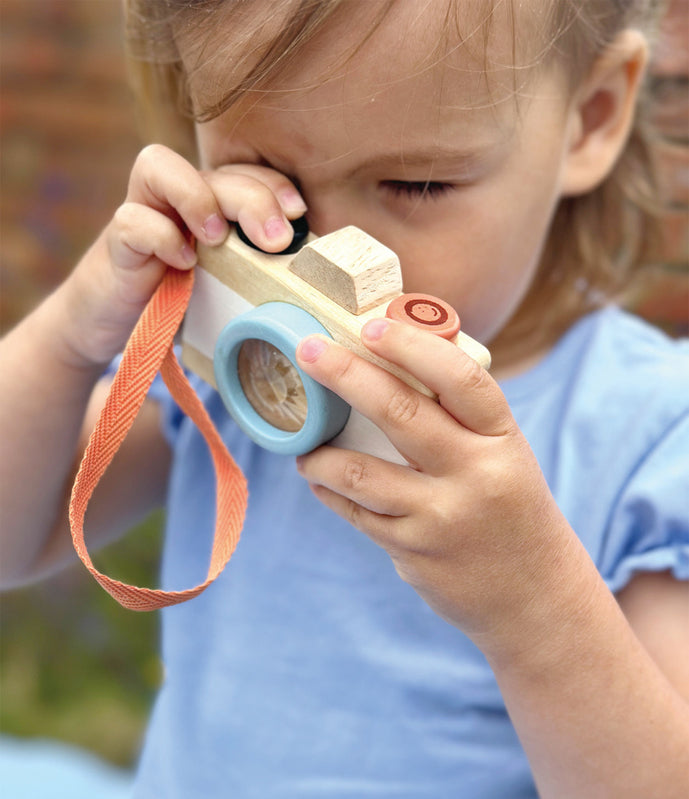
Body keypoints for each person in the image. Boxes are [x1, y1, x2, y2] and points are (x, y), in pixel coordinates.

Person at [1, 0, 687, 796]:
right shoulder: (234, 357)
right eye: (273, 181)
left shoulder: (642, 432)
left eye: (415, 182)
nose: (332, 253)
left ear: (589, 118)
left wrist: (531, 602)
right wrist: (73, 335)